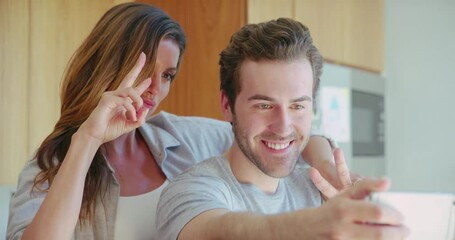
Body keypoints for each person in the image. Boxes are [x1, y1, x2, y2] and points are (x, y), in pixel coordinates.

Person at [6, 3, 348, 240]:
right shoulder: (49, 166)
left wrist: (325, 167)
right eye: (146, 72)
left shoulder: (183, 135)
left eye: (167, 75)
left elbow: (276, 133)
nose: (156, 89)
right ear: (110, 65)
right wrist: (88, 138)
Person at [154, 18, 410, 240]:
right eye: (264, 105)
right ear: (227, 105)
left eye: (298, 106)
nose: (283, 127)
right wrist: (310, 225)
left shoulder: (320, 188)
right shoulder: (191, 190)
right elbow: (217, 230)